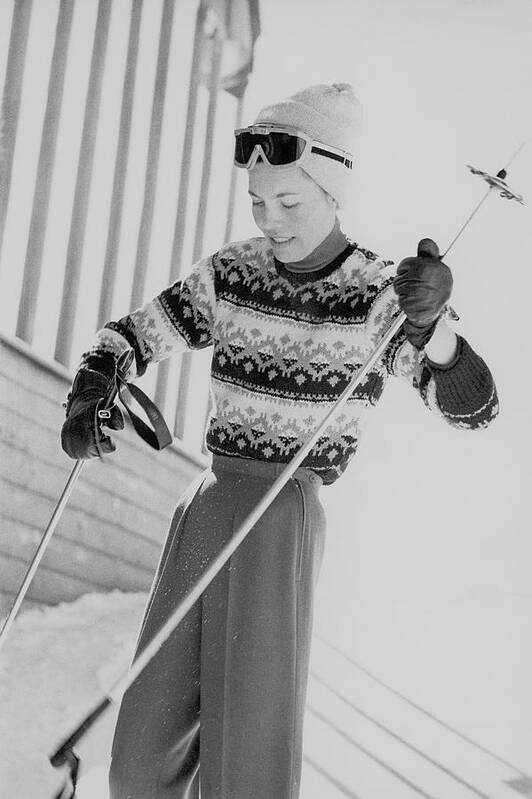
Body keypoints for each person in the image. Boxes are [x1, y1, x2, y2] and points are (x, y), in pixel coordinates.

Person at [61, 83, 498, 799]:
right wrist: (96, 375)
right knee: (140, 758)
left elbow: (475, 406)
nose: (271, 220)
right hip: (206, 503)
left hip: (281, 516)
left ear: (333, 190)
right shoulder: (234, 273)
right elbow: (138, 332)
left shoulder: (377, 295)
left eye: (288, 203)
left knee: (248, 759)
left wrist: (435, 327)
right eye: (259, 203)